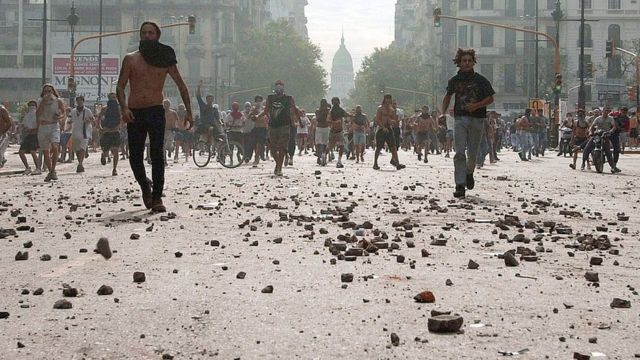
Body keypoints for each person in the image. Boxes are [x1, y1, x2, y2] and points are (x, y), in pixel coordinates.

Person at [116, 21, 193, 213]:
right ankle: (145, 186)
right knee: (135, 156)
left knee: (157, 154)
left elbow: (181, 85)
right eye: (144, 33)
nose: (147, 36)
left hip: (156, 110)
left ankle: (157, 196)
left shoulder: (165, 58)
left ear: (157, 35)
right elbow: (120, 86)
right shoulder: (130, 59)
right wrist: (124, 108)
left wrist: (190, 112)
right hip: (135, 112)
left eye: (151, 33)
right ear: (140, 35)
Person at [441, 48, 495, 198]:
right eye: (464, 61)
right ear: (459, 63)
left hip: (477, 119)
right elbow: (447, 96)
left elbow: (490, 98)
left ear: (473, 62)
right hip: (460, 119)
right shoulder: (454, 81)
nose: (466, 63)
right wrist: (442, 112)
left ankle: (469, 173)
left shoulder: (481, 80)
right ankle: (459, 185)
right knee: (459, 152)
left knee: (472, 153)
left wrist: (476, 105)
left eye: (469, 61)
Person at [257, 80, 300, 176]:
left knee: (282, 147)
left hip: (284, 126)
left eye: (280, 86)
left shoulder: (289, 98)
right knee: (272, 148)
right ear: (274, 88)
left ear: (283, 87)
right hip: (272, 126)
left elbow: (295, 109)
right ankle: (278, 163)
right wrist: (257, 116)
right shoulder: (270, 98)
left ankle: (279, 168)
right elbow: (266, 110)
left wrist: (298, 121)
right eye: (277, 85)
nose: (278, 87)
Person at [36, 84, 66, 181]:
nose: (48, 93)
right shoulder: (40, 101)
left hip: (54, 126)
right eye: (46, 91)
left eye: (50, 91)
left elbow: (63, 112)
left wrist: (59, 116)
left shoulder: (58, 101)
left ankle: (53, 169)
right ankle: (51, 171)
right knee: (45, 150)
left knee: (55, 146)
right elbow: (38, 114)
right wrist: (43, 103)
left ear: (53, 92)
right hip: (43, 127)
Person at [582, 106, 620, 173]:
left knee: (608, 152)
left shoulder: (610, 119)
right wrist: (591, 132)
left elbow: (614, 126)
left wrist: (610, 131)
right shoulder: (598, 118)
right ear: (602, 111)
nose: (606, 112)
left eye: (608, 111)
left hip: (605, 136)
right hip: (597, 135)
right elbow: (592, 126)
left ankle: (613, 167)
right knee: (587, 148)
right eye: (605, 110)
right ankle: (583, 163)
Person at [373, 94, 405, 170]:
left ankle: (397, 163)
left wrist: (392, 121)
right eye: (386, 100)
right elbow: (377, 119)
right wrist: (383, 127)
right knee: (379, 147)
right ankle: (375, 163)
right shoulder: (380, 109)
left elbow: (394, 120)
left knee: (393, 147)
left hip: (389, 129)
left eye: (389, 100)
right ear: (384, 100)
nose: (388, 102)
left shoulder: (392, 110)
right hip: (381, 129)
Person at [98, 93, 123, 176]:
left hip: (115, 132)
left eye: (114, 97)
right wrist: (101, 128)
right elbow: (99, 118)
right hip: (107, 132)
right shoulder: (105, 109)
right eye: (111, 97)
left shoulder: (119, 108)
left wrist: (119, 127)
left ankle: (114, 169)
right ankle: (103, 155)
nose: (113, 99)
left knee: (115, 151)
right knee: (106, 151)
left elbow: (122, 119)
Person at [68, 95, 94, 173]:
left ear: (83, 101)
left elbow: (92, 119)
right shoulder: (73, 111)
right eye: (78, 101)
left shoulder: (87, 110)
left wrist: (88, 120)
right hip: (75, 132)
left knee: (82, 147)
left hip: (85, 132)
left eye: (81, 101)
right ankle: (80, 161)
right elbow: (69, 120)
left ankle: (80, 164)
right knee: (77, 149)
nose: (79, 102)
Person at [18, 100, 41, 174]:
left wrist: (33, 129)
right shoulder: (27, 115)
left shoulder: (38, 115)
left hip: (35, 135)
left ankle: (38, 168)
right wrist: (21, 128)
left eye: (33, 105)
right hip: (28, 135)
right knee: (21, 152)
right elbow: (24, 124)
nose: (32, 107)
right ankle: (27, 168)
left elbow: (40, 126)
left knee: (33, 151)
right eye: (30, 105)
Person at [327, 97, 347, 168]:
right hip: (336, 131)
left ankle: (338, 160)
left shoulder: (337, 111)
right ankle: (338, 160)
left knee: (332, 145)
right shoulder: (332, 111)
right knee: (334, 145)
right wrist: (335, 122)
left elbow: (346, 115)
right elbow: (328, 120)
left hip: (337, 130)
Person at [315, 99, 331, 166]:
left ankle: (319, 156)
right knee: (325, 143)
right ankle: (324, 155)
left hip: (319, 127)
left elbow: (317, 119)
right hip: (326, 127)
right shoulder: (328, 110)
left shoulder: (317, 110)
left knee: (319, 143)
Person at [0, 103, 13, 168]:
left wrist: (2, 132)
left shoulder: (2, 110)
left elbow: (9, 123)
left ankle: (2, 160)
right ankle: (2, 159)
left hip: (2, 134)